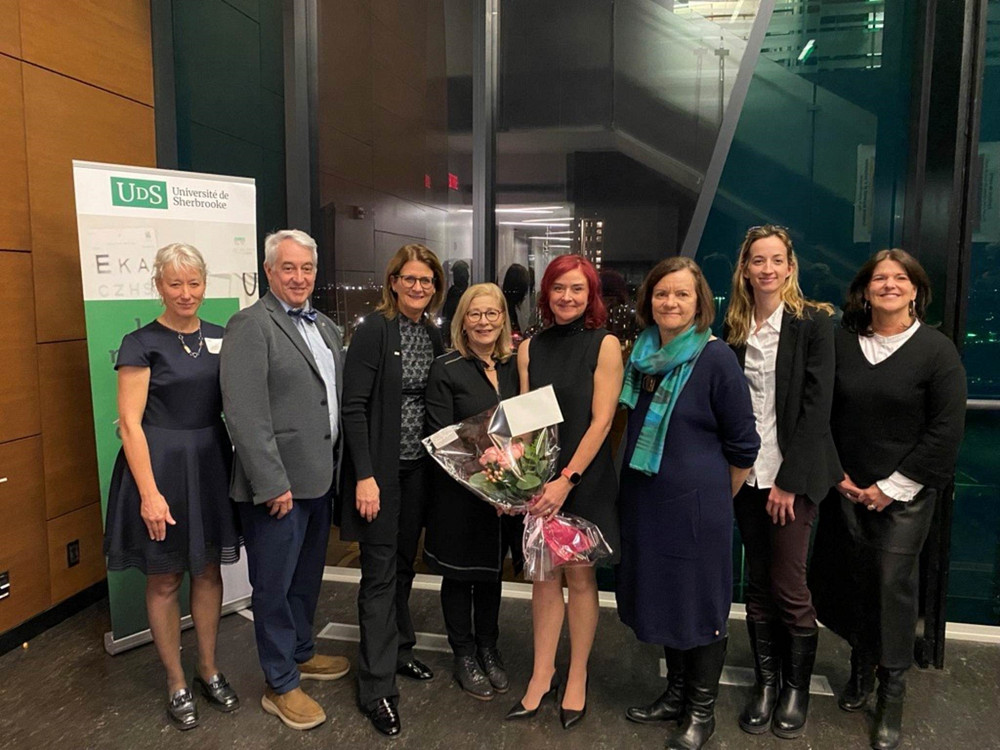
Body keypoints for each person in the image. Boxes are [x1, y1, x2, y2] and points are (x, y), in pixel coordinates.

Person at [812, 249, 966, 750]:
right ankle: (861, 672)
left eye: (900, 278)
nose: (889, 285)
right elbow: (820, 414)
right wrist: (839, 477)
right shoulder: (843, 342)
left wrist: (889, 487)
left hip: (906, 495)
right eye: (880, 278)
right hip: (847, 488)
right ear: (865, 289)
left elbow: (946, 429)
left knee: (891, 587)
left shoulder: (936, 351)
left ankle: (891, 694)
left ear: (916, 289)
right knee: (851, 578)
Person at [618, 257, 759, 750]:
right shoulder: (641, 355)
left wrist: (718, 496)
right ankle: (676, 695)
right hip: (647, 501)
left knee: (701, 607)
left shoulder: (715, 358)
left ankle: (702, 713)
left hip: (698, 508)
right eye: (661, 294)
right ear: (648, 301)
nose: (670, 302)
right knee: (665, 598)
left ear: (700, 302)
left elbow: (744, 445)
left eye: (681, 294)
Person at [103, 243, 242, 730]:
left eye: (194, 283)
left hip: (209, 462)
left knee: (207, 571)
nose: (186, 293)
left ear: (205, 284)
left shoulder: (224, 335)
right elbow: (129, 423)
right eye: (175, 283)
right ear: (159, 286)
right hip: (158, 464)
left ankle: (208, 669)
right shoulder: (140, 343)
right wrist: (149, 493)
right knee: (164, 578)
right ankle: (175, 681)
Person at [220, 229, 350, 731]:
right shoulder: (251, 325)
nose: (299, 277)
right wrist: (271, 482)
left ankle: (299, 652)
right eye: (289, 268)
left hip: (320, 481)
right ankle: (280, 683)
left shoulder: (326, 327)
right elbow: (245, 413)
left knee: (304, 580)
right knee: (272, 587)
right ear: (270, 271)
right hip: (278, 489)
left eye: (307, 268)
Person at [723, 225, 841, 739]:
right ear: (745, 268)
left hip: (792, 476)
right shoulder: (733, 326)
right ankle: (766, 685)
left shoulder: (813, 322)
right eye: (757, 261)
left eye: (776, 260)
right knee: (756, 584)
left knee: (789, 585)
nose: (767, 269)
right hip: (745, 475)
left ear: (790, 267)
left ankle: (795, 690)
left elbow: (817, 410)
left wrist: (789, 483)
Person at [506, 254, 622, 730]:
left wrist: (566, 479)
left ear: (590, 294)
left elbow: (602, 421)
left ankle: (577, 677)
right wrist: (524, 482)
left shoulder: (605, 344)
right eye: (559, 288)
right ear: (546, 294)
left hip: (583, 480)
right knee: (543, 579)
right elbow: (525, 424)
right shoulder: (529, 348)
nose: (567, 297)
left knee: (579, 579)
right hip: (541, 483)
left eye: (577, 289)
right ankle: (541, 673)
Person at [337, 244, 446, 737]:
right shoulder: (374, 331)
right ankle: (376, 686)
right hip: (378, 474)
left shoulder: (429, 333)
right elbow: (354, 407)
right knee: (379, 574)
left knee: (404, 565)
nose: (419, 287)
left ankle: (399, 650)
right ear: (394, 281)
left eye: (427, 281)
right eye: (411, 279)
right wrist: (364, 475)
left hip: (418, 471)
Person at [423, 283, 523, 701]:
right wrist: (489, 485)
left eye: (492, 314)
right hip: (460, 494)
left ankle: (489, 647)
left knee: (490, 576)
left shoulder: (515, 365)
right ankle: (463, 653)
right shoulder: (445, 367)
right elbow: (442, 435)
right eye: (475, 314)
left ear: (503, 318)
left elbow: (526, 428)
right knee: (458, 576)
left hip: (506, 499)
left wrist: (516, 485)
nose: (484, 322)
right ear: (463, 320)